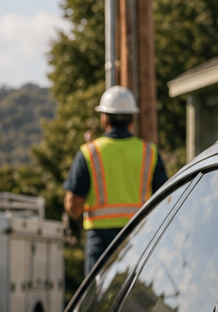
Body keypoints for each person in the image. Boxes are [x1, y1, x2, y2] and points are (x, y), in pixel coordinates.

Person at [63, 85, 169, 274]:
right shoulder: (149, 152)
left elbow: (73, 205)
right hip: (139, 236)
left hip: (100, 241)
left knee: (98, 298)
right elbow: (166, 199)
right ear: (132, 118)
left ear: (104, 118)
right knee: (136, 297)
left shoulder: (89, 152)